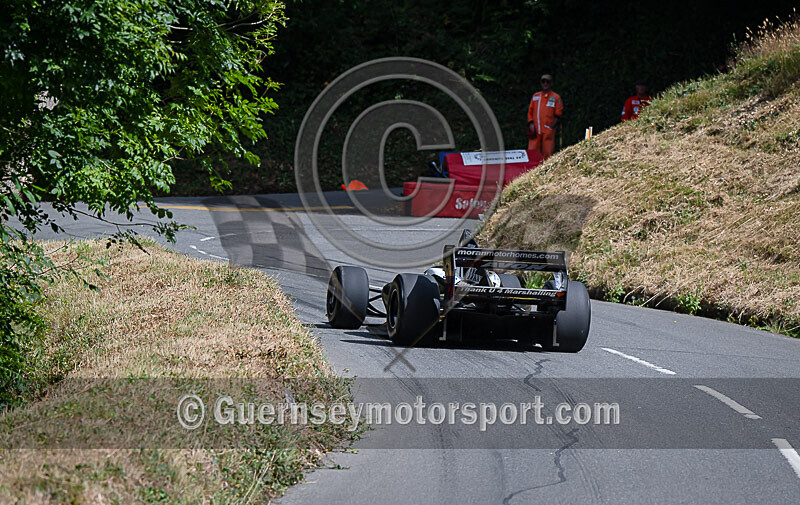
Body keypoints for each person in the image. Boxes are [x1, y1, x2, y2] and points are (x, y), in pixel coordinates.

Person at [527, 74, 563, 160]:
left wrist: (551, 127)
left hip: (548, 130)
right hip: (535, 129)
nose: (545, 83)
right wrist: (531, 123)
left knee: (548, 153)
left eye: (547, 81)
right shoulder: (536, 96)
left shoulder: (556, 97)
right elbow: (530, 111)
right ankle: (532, 169)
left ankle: (546, 171)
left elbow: (558, 113)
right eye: (543, 81)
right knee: (532, 151)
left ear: (551, 83)